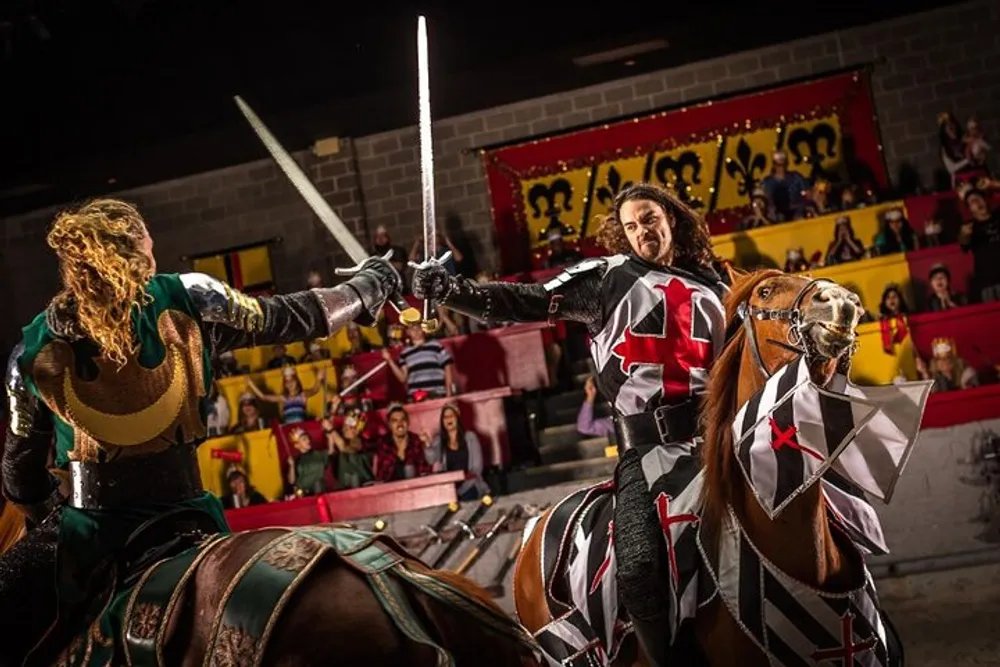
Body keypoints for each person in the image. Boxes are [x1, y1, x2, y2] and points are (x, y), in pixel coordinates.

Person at [0, 198, 401, 664]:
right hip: (188, 515)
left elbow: (19, 475)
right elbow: (294, 318)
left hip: (92, 530)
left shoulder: (31, 352)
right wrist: (369, 287)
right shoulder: (192, 299)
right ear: (138, 254)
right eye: (148, 243)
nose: (154, 251)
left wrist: (45, 511)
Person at [413, 181, 727, 665]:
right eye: (631, 225)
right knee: (640, 566)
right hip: (647, 456)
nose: (642, 230)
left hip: (718, 442)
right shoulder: (607, 278)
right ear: (621, 235)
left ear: (671, 218)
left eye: (649, 218)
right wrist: (454, 291)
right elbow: (526, 301)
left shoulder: (717, 285)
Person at [423, 404, 490, 500]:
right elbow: (431, 459)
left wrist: (459, 492)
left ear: (457, 417)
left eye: (451, 415)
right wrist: (427, 444)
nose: (448, 419)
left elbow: (476, 470)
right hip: (449, 489)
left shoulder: (470, 437)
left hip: (470, 485)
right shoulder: (439, 440)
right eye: (445, 417)